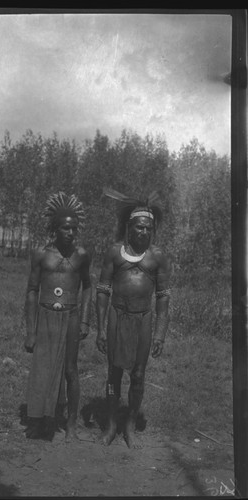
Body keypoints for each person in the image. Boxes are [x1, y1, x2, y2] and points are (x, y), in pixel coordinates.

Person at [96, 188, 171, 449]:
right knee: (113, 374)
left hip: (143, 321)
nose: (143, 233)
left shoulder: (157, 256)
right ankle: (111, 423)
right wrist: (100, 329)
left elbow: (162, 296)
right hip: (117, 316)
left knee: (138, 375)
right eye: (139, 228)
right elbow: (103, 291)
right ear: (129, 227)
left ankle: (129, 425)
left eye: (148, 229)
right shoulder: (114, 252)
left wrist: (160, 333)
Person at [24, 192, 92, 443]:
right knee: (41, 369)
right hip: (45, 315)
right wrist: (31, 330)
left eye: (74, 229)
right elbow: (31, 290)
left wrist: (85, 319)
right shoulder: (41, 254)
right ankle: (37, 421)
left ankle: (71, 424)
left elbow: (87, 286)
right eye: (65, 228)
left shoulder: (82, 255)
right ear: (55, 228)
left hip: (71, 315)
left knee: (70, 370)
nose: (71, 233)